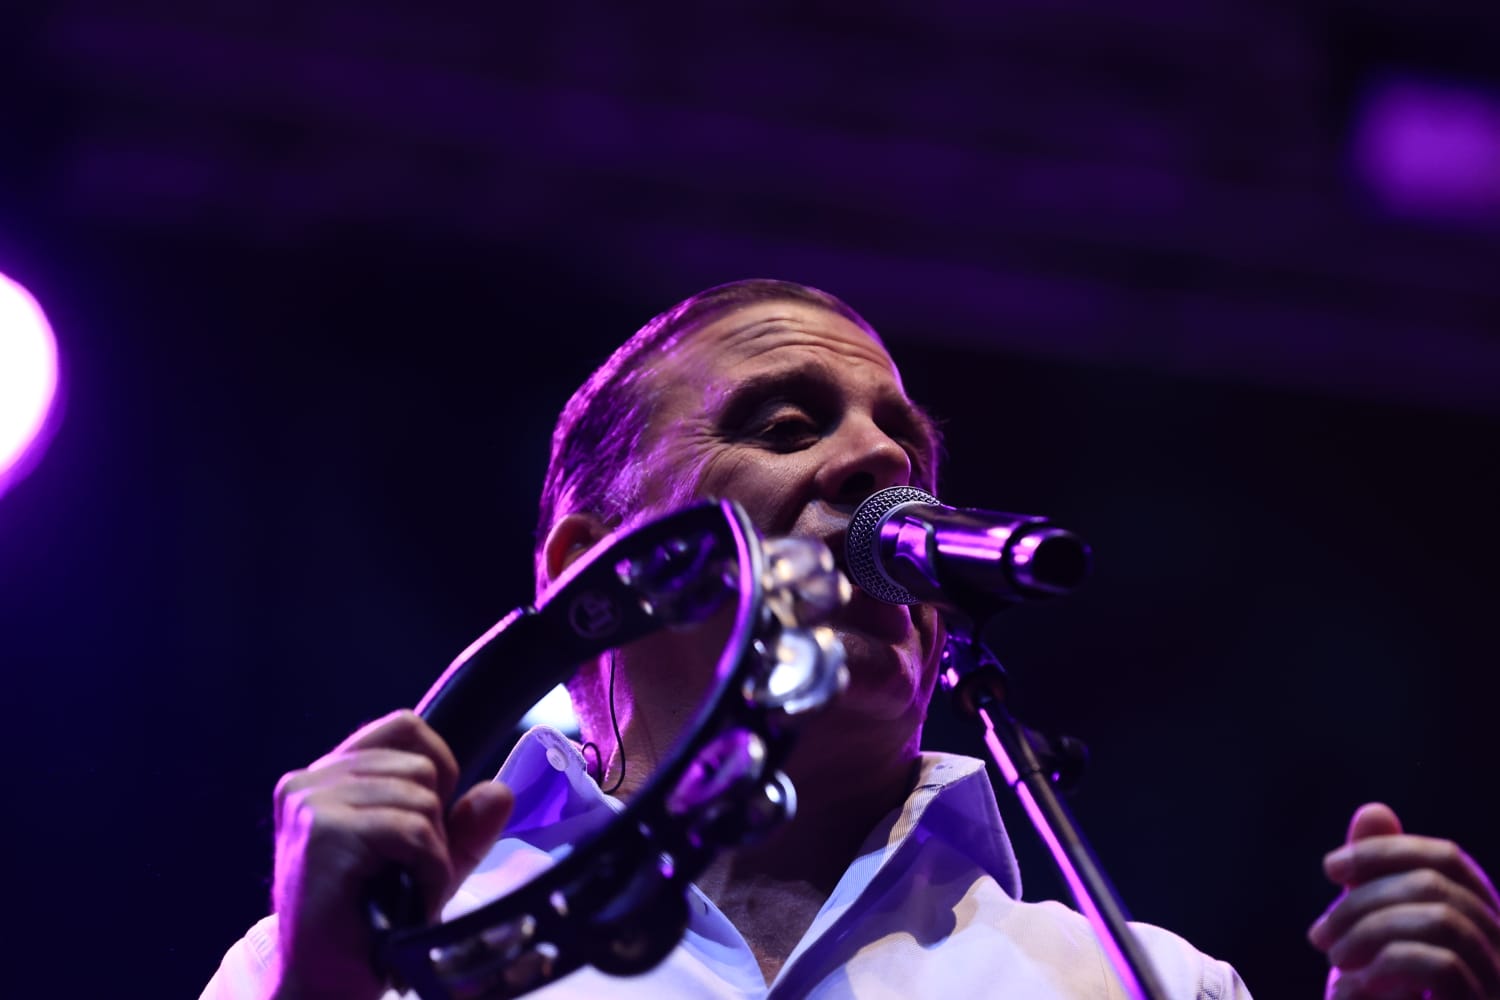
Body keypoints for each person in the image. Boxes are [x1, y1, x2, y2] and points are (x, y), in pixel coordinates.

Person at [203, 279, 1500, 999]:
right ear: (584, 568)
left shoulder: (1134, 981)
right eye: (782, 424)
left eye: (907, 446)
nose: (883, 461)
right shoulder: (368, 954)